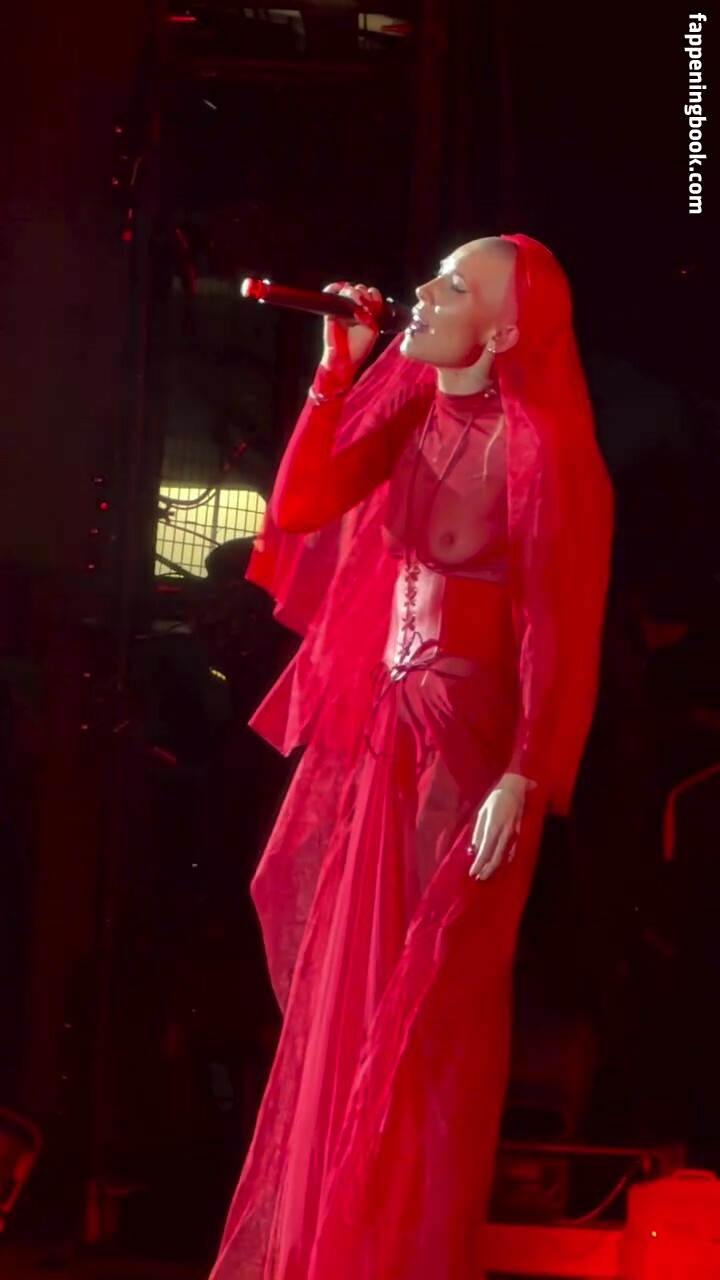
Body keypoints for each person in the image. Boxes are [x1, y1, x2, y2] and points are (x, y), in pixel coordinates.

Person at [209, 235, 614, 1279]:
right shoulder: (408, 407)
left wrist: (526, 770)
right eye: (433, 277)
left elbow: (556, 622)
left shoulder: (542, 450)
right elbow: (301, 504)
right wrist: (336, 369)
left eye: (455, 286)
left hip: (469, 755)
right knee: (345, 1008)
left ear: (506, 330)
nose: (424, 295)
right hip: (384, 742)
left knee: (425, 1016)